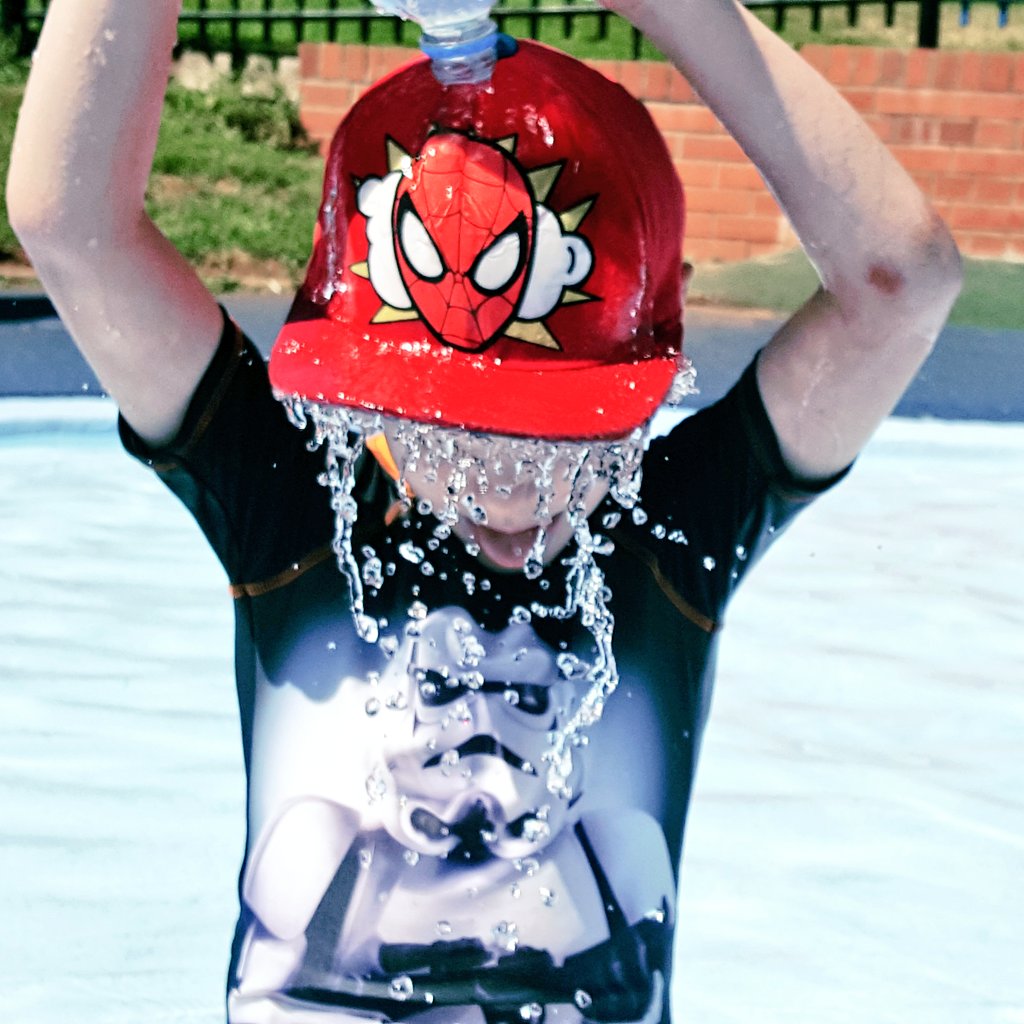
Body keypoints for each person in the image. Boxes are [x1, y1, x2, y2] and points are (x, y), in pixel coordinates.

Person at [6, 1, 961, 1022]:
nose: (508, 489)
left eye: (562, 431)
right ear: (356, 405)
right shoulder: (299, 513)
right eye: (446, 429)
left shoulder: (664, 537)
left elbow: (900, 285)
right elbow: (71, 227)